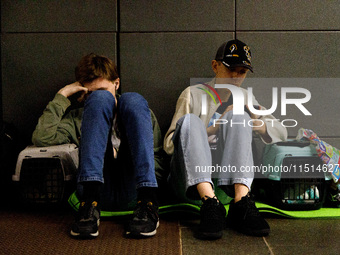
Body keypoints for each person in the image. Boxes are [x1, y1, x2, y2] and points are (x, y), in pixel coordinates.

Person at [163, 39, 287, 239]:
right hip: (189, 185)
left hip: (226, 188)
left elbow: (281, 132)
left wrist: (257, 123)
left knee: (239, 117)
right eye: (231, 70)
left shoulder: (246, 98)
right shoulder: (192, 94)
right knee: (190, 121)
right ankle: (209, 204)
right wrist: (213, 128)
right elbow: (169, 146)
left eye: (242, 72)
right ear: (215, 66)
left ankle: (241, 203)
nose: (236, 77)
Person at [32, 53, 166, 239]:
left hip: (135, 188)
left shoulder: (141, 115)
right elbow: (42, 137)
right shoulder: (78, 118)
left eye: (103, 89)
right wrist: (62, 96)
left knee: (132, 100)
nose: (96, 96)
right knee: (100, 103)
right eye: (90, 94)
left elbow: (158, 160)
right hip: (96, 191)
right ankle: (89, 204)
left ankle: (148, 203)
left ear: (116, 83)